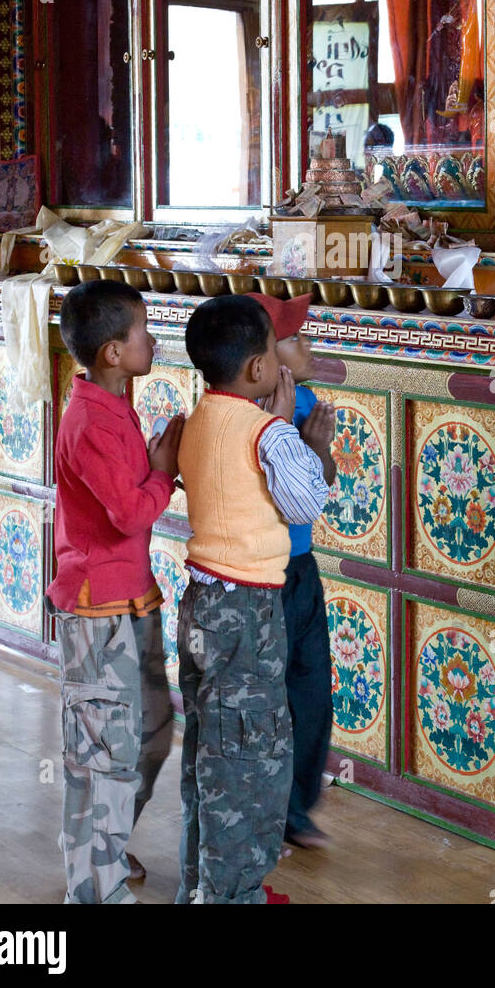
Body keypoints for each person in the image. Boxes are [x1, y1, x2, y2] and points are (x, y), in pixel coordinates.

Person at [176, 294, 332, 905]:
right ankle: (233, 895)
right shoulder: (267, 432)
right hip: (248, 613)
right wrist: (303, 438)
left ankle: (201, 883)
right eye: (273, 348)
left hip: (202, 603)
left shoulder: (201, 416)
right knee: (247, 760)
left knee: (207, 749)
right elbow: (306, 503)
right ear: (258, 370)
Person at [46, 279, 184, 905]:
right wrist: (162, 472)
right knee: (101, 752)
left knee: (151, 732)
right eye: (142, 332)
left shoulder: (114, 405)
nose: (151, 340)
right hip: (97, 609)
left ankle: (104, 844)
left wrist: (154, 466)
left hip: (133, 599)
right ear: (111, 353)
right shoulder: (90, 421)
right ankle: (94, 890)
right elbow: (130, 514)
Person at [250, 292, 336, 849]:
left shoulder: (306, 402)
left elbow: (320, 483)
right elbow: (275, 498)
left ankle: (296, 807)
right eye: (296, 338)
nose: (308, 346)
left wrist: (317, 449)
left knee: (311, 688)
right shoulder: (240, 412)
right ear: (264, 357)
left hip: (301, 567)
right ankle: (261, 807)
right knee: (264, 694)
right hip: (259, 570)